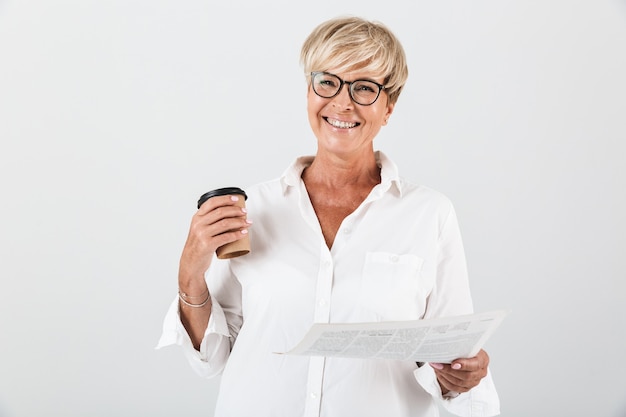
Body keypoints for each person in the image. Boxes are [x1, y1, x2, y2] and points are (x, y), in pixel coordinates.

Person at [157, 15, 500, 417]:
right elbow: (210, 359)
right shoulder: (253, 211)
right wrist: (189, 273)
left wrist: (461, 375)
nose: (342, 102)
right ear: (309, 91)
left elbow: (451, 354)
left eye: (364, 88)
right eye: (328, 82)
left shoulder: (430, 215)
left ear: (388, 107)